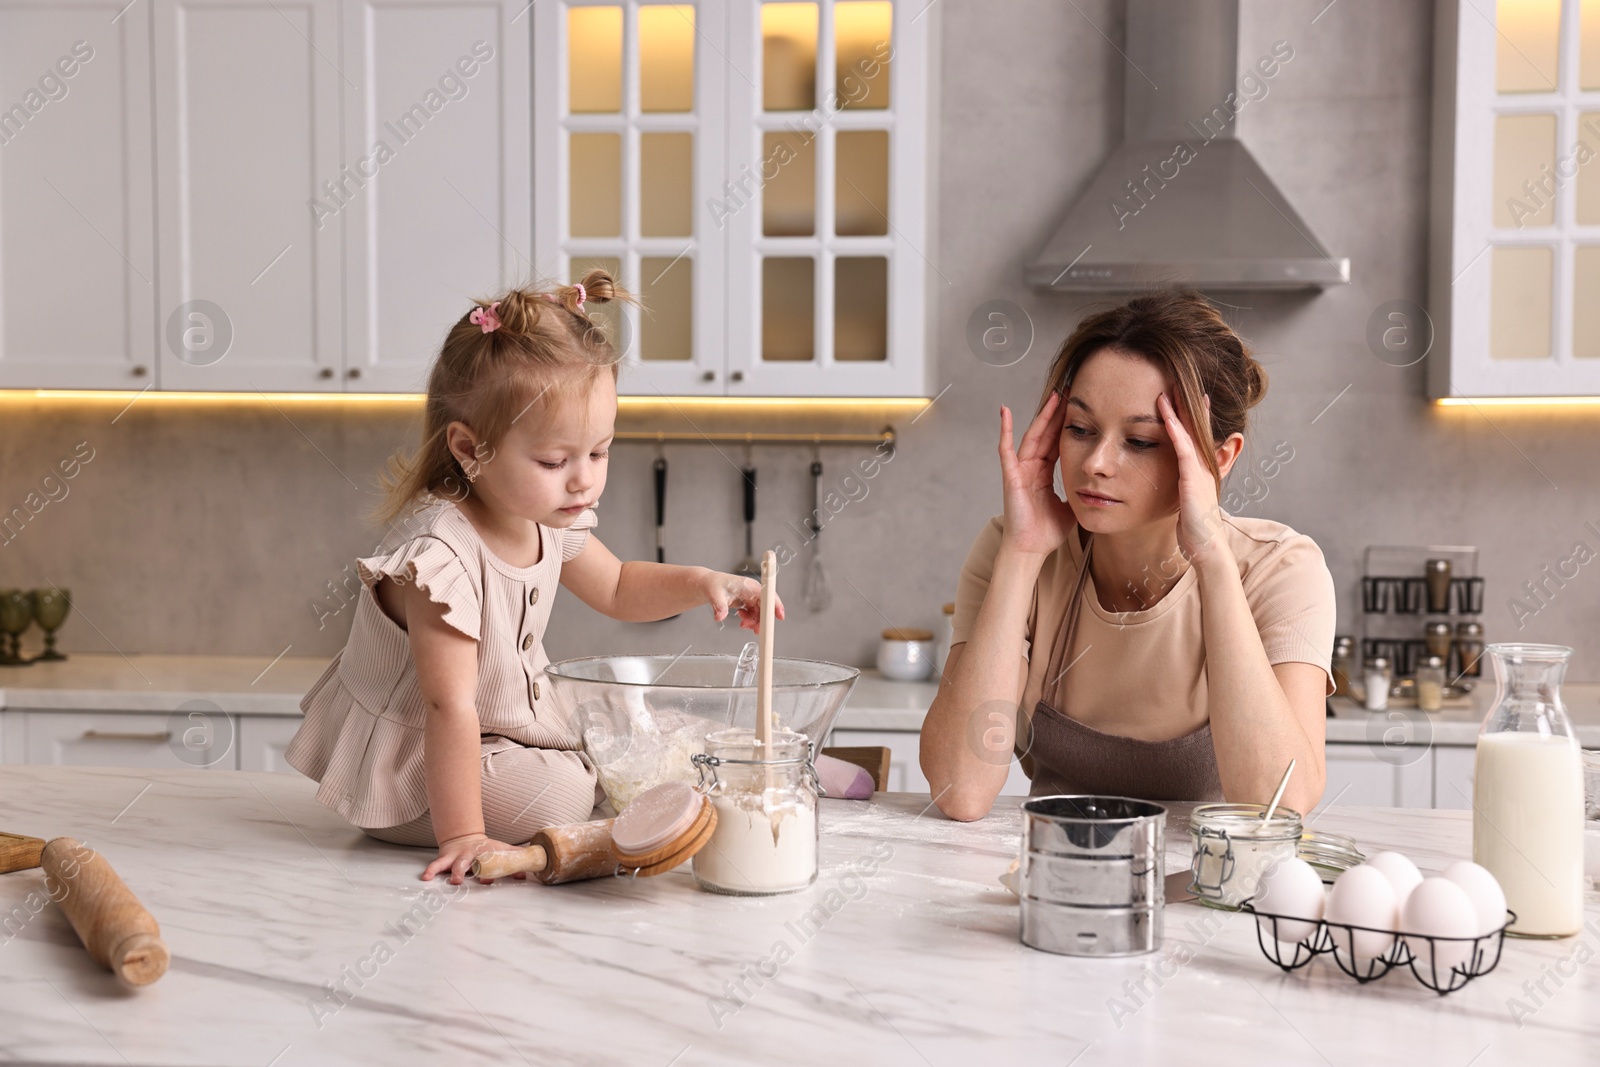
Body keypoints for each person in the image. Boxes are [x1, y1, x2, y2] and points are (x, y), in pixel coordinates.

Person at [286, 271, 782, 883]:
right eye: (554, 460)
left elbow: (620, 586)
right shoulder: (440, 556)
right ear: (470, 449)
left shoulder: (542, 513)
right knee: (562, 794)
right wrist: (465, 835)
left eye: (599, 452)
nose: (583, 480)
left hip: (499, 738)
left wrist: (705, 580)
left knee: (625, 721)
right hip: (416, 773)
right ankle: (644, 790)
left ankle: (758, 766)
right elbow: (449, 706)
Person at [920, 289, 1334, 821]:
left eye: (1139, 441)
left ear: (1220, 456)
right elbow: (960, 790)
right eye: (1080, 429)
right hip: (1055, 877)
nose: (1095, 463)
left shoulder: (1281, 568)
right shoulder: (1016, 548)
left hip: (1207, 890)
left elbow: (1278, 806)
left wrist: (1210, 557)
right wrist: (1022, 555)